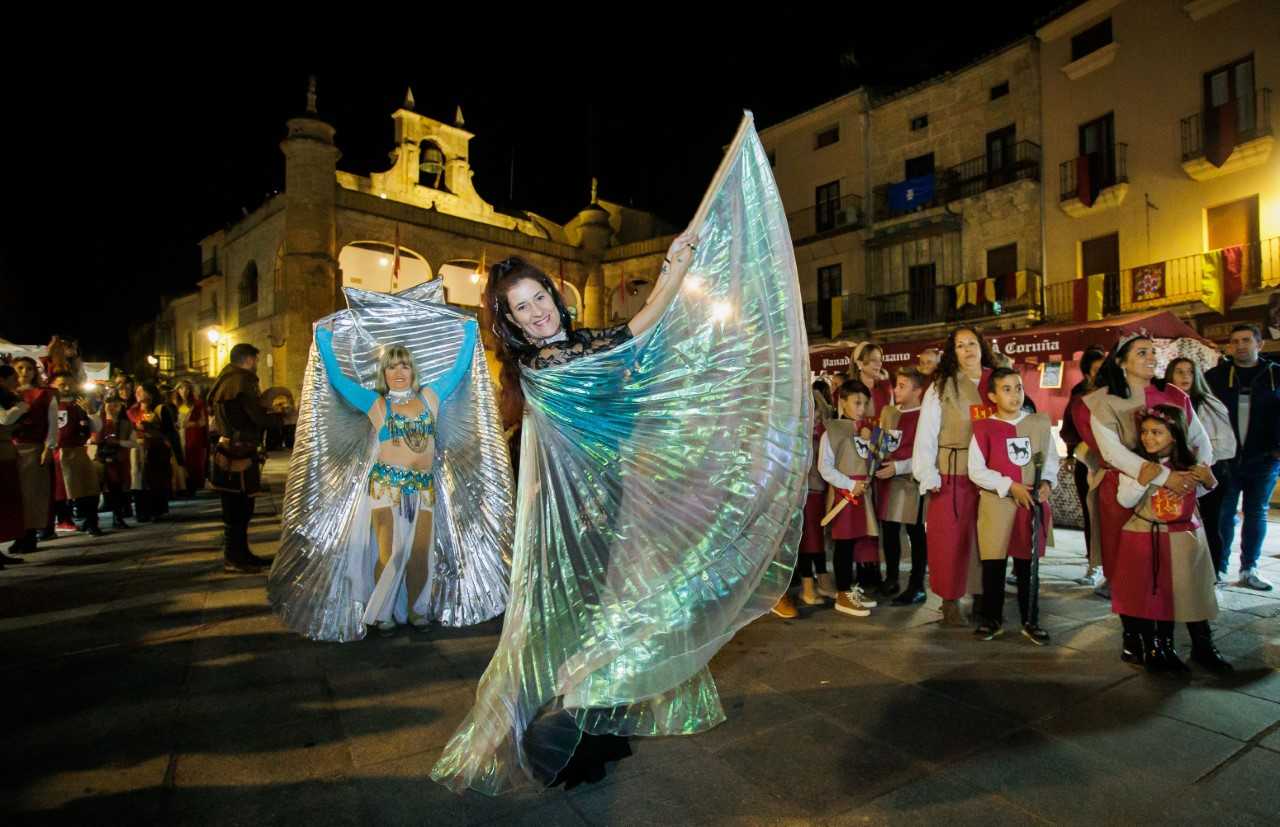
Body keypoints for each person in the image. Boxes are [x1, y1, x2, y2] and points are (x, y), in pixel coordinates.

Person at [432, 117, 809, 797]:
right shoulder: (547, 367)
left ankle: (590, 725)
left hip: (616, 507)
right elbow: (625, 343)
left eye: (539, 297)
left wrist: (674, 267)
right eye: (521, 308)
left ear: (552, 296)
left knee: (622, 613)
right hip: (578, 523)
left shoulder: (579, 350)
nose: (537, 311)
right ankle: (551, 727)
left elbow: (633, 330)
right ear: (512, 323)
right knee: (580, 623)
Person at [302, 314, 493, 636]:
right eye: (392, 366)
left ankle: (416, 611)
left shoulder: (430, 398)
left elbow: (460, 369)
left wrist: (471, 330)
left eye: (404, 365)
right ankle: (383, 611)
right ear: (384, 373)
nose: (398, 372)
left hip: (423, 489)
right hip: (386, 488)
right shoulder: (376, 404)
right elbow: (337, 379)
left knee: (419, 553)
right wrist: (323, 339)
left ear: (413, 370)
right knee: (389, 553)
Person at [1075, 334, 1212, 615]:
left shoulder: (1174, 395)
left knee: (1175, 564)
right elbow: (1114, 453)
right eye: (1141, 353)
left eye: (1152, 352)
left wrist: (1192, 477)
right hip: (1123, 491)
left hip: (1175, 492)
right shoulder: (1102, 402)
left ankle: (1171, 623)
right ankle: (1135, 634)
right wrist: (1166, 477)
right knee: (1130, 568)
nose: (1151, 357)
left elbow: (1200, 440)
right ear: (1121, 361)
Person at [1113, 405, 1231, 673]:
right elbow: (1125, 499)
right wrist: (1143, 480)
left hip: (1184, 537)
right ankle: (1160, 648)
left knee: (1193, 591)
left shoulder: (1190, 466)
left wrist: (1210, 481)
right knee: (1157, 594)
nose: (1148, 438)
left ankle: (1204, 645)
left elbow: (1198, 495)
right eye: (1144, 432)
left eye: (1157, 432)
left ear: (1174, 435)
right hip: (1148, 535)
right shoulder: (1136, 465)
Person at [912, 326, 997, 626]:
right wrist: (927, 472)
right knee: (948, 540)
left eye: (972, 343)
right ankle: (949, 601)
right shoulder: (941, 386)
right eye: (960, 345)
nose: (967, 350)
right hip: (952, 471)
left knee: (984, 540)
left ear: (981, 346)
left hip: (990, 474)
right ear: (953, 352)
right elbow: (926, 433)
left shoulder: (997, 381)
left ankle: (981, 597)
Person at [968, 367, 1056, 644]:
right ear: (993, 395)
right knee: (994, 564)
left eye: (1018, 387)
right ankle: (991, 619)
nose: (1015, 394)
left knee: (1027, 566)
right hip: (997, 504)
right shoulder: (983, 427)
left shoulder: (1039, 424)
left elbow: (1051, 461)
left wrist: (1047, 484)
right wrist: (1010, 486)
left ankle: (1031, 619)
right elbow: (976, 470)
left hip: (1029, 504)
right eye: (1006, 389)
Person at [1205, 324, 1280, 591]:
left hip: (1264, 459)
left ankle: (1249, 568)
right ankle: (1219, 568)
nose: (1240, 345)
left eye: (1246, 340)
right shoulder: (1215, 377)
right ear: (1228, 346)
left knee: (1256, 512)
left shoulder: (1275, 375)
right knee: (1224, 513)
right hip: (1226, 460)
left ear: (1259, 344)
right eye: (1235, 341)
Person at [1165, 357, 1236, 584]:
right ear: (1170, 375)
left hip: (1209, 472)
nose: (1186, 376)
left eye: (1190, 372)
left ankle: (1213, 576)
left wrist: (1200, 468)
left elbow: (1224, 444)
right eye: (1179, 372)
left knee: (1210, 525)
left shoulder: (1209, 403)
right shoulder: (1163, 403)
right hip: (1175, 476)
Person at [207, 343, 277, 573]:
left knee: (239, 507)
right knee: (238, 508)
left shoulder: (225, 379)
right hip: (237, 452)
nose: (256, 365)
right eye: (255, 360)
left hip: (230, 449)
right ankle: (234, 558)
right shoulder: (242, 381)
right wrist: (280, 417)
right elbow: (255, 416)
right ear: (248, 360)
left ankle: (241, 554)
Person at [818, 381, 879, 618]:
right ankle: (843, 593)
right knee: (843, 543)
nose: (861, 408)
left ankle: (850, 588)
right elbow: (825, 468)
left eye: (865, 403)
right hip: (844, 496)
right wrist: (850, 484)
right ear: (842, 402)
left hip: (861, 494)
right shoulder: (831, 431)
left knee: (855, 542)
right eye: (856, 402)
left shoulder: (865, 429)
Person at [876, 367, 928, 605]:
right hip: (887, 481)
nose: (896, 389)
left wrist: (899, 467)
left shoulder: (925, 416)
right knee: (889, 531)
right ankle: (892, 577)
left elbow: (925, 454)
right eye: (896, 385)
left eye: (902, 386)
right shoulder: (889, 413)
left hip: (911, 481)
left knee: (916, 533)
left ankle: (917, 584)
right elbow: (881, 442)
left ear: (918, 390)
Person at [1060, 346, 1106, 587]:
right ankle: (1094, 563)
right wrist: (1070, 454)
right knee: (1090, 512)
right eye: (1096, 370)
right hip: (1085, 459)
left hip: (1111, 462)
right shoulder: (1079, 393)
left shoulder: (1114, 391)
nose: (1100, 374)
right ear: (1087, 372)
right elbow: (1071, 426)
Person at [9, 357, 56, 555]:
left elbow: (52, 423)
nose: (25, 372)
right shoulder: (8, 394)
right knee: (14, 495)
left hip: (34, 449)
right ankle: (17, 534)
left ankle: (29, 536)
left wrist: (49, 447)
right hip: (10, 450)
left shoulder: (44, 394)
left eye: (29, 368)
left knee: (32, 495)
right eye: (20, 368)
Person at [49, 372, 103, 536]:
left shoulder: (81, 404)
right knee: (55, 491)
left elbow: (97, 428)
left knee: (87, 489)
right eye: (61, 384)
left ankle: (91, 522)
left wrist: (91, 412)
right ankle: (53, 525)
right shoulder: (49, 405)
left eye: (69, 384)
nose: (66, 387)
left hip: (77, 451)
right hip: (54, 452)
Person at [790, 406, 832, 612]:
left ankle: (821, 582)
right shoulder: (798, 439)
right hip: (805, 492)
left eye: (818, 416)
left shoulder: (822, 436)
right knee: (807, 540)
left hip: (819, 491)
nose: (815, 420)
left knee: (816, 539)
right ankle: (807, 586)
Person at [127, 383, 174, 522]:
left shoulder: (160, 409)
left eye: (142, 391)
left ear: (151, 393)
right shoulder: (132, 411)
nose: (138, 393)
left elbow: (169, 431)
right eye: (137, 391)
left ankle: (156, 510)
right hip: (138, 449)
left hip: (156, 449)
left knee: (155, 480)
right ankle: (141, 511)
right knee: (139, 480)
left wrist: (151, 429)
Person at [93, 391, 135, 530]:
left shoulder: (126, 424)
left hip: (119, 460)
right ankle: (92, 522)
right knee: (96, 490)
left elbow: (133, 443)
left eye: (116, 405)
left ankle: (118, 518)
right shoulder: (99, 421)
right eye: (109, 404)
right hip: (100, 460)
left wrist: (117, 442)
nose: (112, 407)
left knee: (117, 489)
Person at [0, 365, 29, 565]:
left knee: (6, 500)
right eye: (13, 378)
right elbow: (3, 419)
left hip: (5, 451)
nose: (17, 382)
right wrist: (21, 407)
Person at [173, 381, 208, 496]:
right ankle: (182, 485)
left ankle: (192, 485)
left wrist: (191, 424)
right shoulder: (175, 405)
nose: (184, 391)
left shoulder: (197, 404)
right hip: (179, 435)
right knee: (180, 460)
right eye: (181, 388)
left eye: (187, 389)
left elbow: (203, 422)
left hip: (192, 435)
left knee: (192, 460)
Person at [850, 342, 893, 419]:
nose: (879, 363)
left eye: (880, 360)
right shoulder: (848, 390)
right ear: (859, 363)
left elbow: (892, 417)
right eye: (873, 360)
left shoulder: (885, 387)